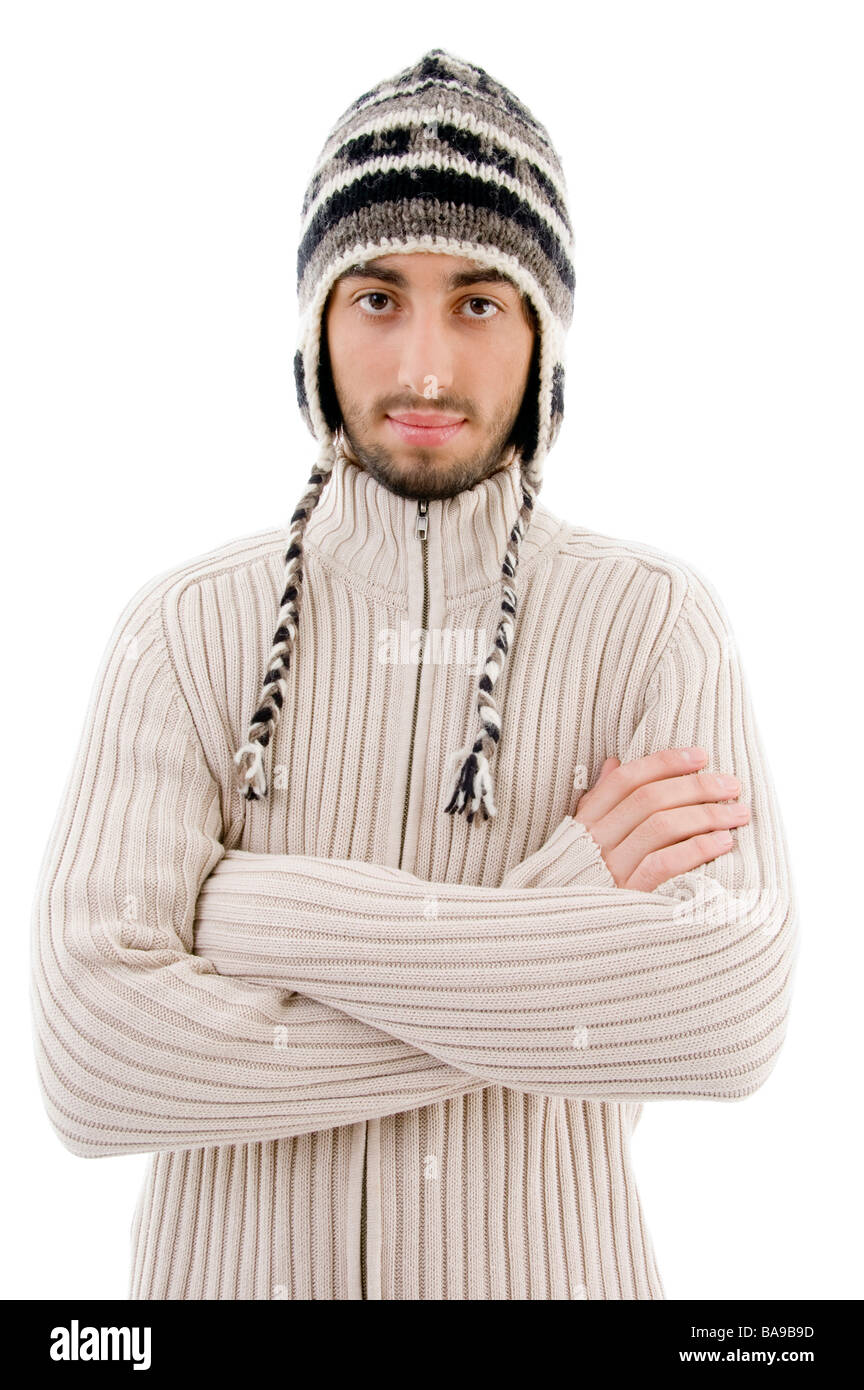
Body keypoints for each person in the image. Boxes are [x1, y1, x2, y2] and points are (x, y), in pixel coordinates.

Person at [30, 47, 798, 1300]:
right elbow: (93, 1066)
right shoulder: (181, 632)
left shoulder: (655, 626)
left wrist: (259, 914)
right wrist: (563, 912)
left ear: (542, 333)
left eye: (479, 301)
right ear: (317, 325)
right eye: (378, 298)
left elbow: (729, 1014)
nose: (427, 367)